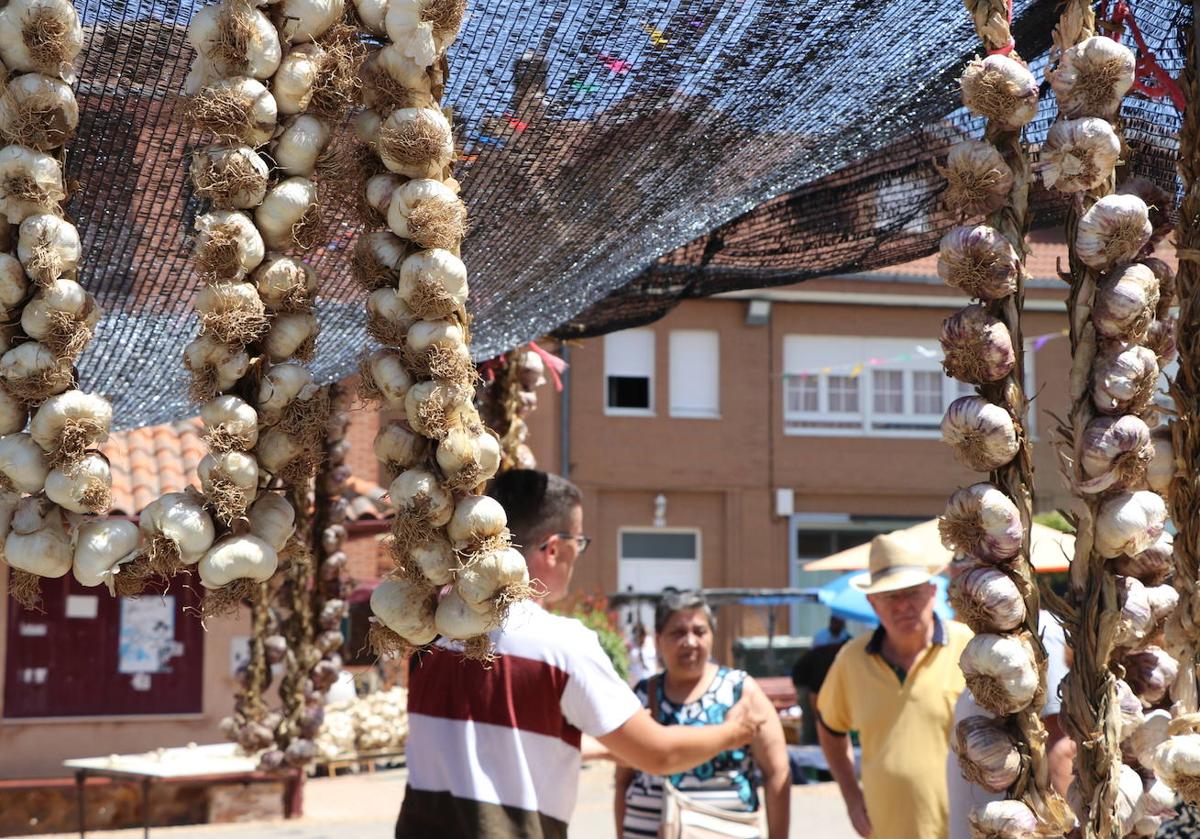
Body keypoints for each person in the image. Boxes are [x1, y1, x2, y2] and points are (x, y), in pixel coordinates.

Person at [396, 470, 765, 839]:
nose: (579, 554)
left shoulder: (429, 630)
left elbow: (485, 742)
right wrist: (734, 733)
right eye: (579, 542)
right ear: (553, 548)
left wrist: (601, 749)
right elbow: (660, 755)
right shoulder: (563, 645)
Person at [816, 531, 972, 839]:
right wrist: (851, 797)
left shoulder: (969, 650)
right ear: (873, 604)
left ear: (931, 592)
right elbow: (829, 730)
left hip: (966, 832)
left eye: (912, 592)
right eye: (891, 596)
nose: (903, 606)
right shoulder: (851, 660)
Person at [615, 590, 791, 839]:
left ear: (712, 636)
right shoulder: (642, 695)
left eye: (699, 631)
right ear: (658, 639)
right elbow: (623, 780)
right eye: (678, 633)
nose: (690, 642)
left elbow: (777, 773)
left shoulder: (741, 691)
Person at [946, 608, 1073, 837]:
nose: (955, 577)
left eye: (962, 570)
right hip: (990, 826)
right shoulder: (987, 640)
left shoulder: (1040, 632)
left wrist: (1069, 831)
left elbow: (1059, 746)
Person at [627, 621, 659, 686]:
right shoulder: (631, 644)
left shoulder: (651, 642)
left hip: (651, 678)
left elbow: (656, 660)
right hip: (636, 681)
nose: (642, 637)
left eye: (643, 634)